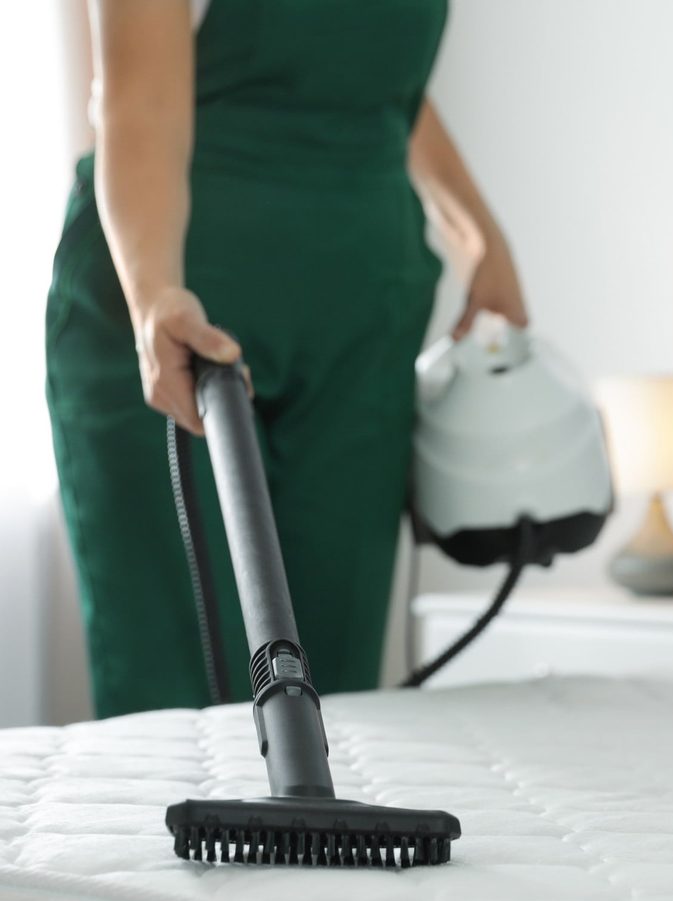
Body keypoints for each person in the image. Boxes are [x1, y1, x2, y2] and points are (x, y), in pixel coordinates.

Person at [46, 0, 527, 718]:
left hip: (363, 315)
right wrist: (154, 298)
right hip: (181, 306)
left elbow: (381, 87)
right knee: (179, 681)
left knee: (339, 686)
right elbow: (139, 99)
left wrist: (480, 236)